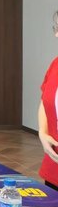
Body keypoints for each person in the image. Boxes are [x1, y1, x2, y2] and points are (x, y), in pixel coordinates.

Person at [38, 10, 58, 189]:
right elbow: (45, 102)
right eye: (57, 28)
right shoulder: (55, 64)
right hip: (54, 165)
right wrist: (43, 133)